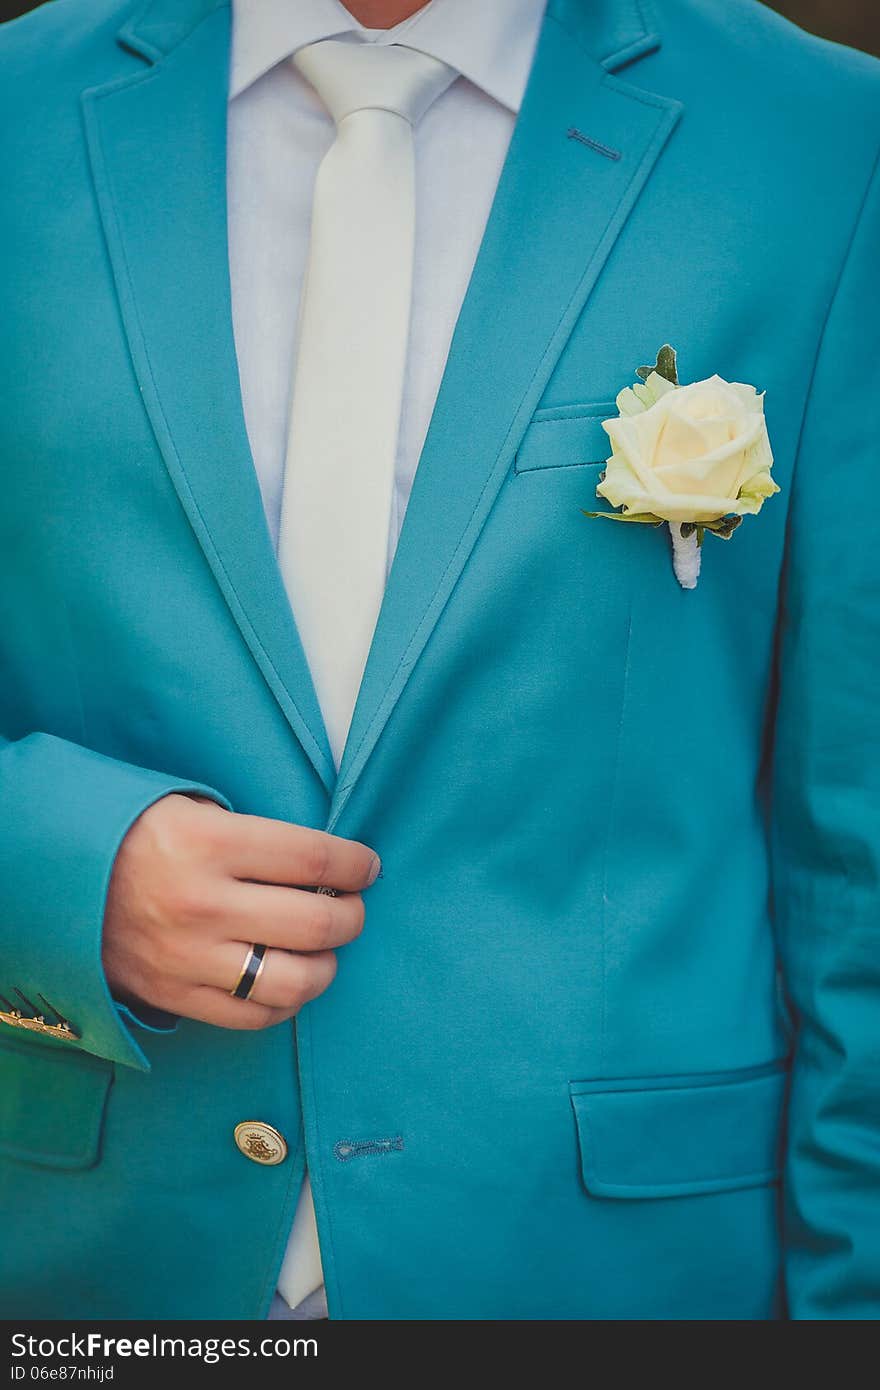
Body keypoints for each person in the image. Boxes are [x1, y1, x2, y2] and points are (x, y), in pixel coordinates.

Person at [0, 0, 878, 1321]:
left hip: (617, 1277)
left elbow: (856, 860)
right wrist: (51, 870)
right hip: (86, 1270)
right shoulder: (19, 113)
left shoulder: (825, 147)